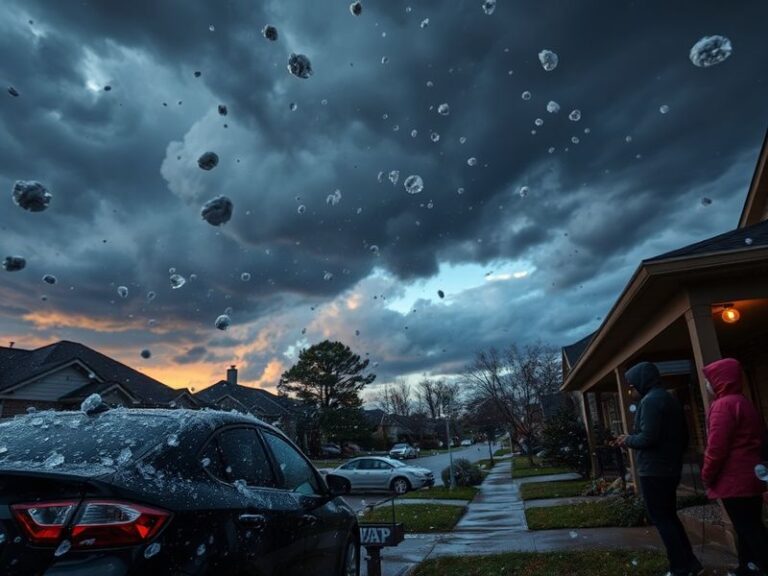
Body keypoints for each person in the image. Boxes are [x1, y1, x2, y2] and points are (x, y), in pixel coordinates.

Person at [616, 362, 703, 576]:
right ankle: (690, 563)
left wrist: (627, 439)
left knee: (662, 519)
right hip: (670, 468)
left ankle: (680, 567)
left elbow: (648, 437)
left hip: (654, 470)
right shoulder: (669, 398)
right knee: (669, 517)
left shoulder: (650, 402)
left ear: (642, 382)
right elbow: (684, 436)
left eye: (632, 385)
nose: (631, 390)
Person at [701, 358, 768, 576]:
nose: (707, 385)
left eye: (709, 380)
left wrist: (707, 474)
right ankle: (747, 566)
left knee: (749, 528)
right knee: (749, 525)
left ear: (720, 380)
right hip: (751, 476)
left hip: (733, 479)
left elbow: (716, 447)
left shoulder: (723, 406)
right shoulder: (743, 402)